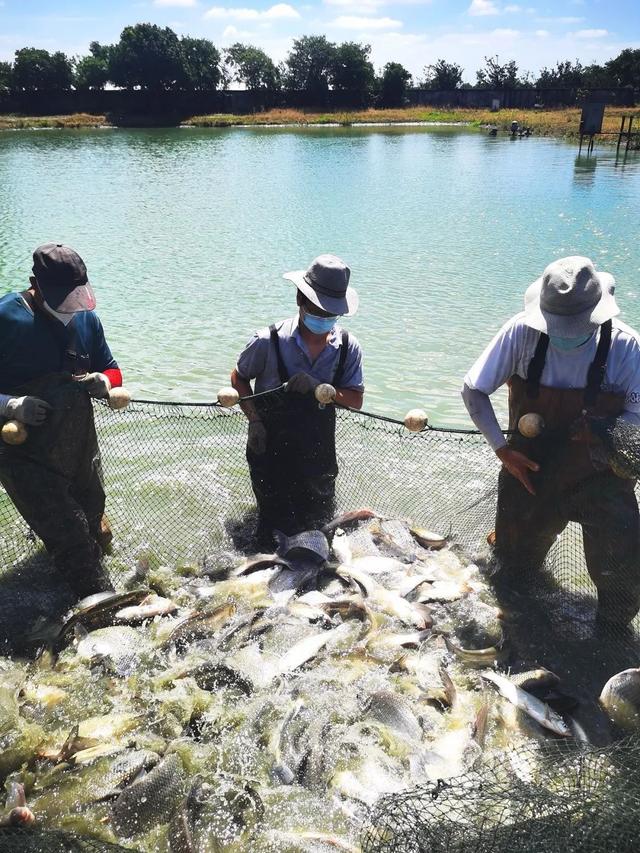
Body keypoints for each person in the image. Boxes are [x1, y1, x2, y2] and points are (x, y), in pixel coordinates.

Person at [462, 256, 640, 627]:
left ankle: (608, 639)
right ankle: (519, 628)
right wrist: (502, 449)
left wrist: (603, 432)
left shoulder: (627, 349)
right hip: (529, 472)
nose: (565, 332)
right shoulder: (521, 333)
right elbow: (474, 389)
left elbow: (636, 425)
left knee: (622, 579)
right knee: (512, 571)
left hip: (602, 478)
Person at [0, 242, 123, 600]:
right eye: (61, 298)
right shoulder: (6, 318)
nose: (70, 307)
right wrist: (10, 405)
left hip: (77, 447)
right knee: (73, 544)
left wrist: (105, 382)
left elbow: (113, 370)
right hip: (22, 454)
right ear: (34, 285)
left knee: (95, 530)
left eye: (75, 296)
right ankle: (104, 610)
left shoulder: (86, 318)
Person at [231, 254, 364, 548]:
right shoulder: (267, 341)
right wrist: (254, 421)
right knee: (271, 528)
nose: (324, 318)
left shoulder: (347, 348)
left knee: (319, 527)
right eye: (318, 309)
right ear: (299, 300)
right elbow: (238, 378)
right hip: (269, 447)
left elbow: (355, 400)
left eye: (331, 313)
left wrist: (324, 389)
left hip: (318, 452)